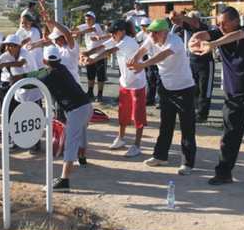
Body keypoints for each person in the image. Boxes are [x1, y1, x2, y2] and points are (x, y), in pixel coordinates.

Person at [189, 6, 244, 196]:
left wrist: (213, 44)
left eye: (224, 23)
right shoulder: (219, 32)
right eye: (218, 23)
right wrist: (196, 40)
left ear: (235, 21)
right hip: (232, 93)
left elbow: (235, 36)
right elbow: (204, 34)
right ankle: (224, 173)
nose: (221, 26)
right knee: (229, 135)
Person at [19, 46, 93, 191]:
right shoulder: (63, 67)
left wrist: (17, 79)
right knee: (82, 131)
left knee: (70, 144)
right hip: (87, 106)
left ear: (44, 60)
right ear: (58, 59)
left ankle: (64, 181)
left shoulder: (49, 74)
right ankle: (82, 158)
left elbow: (30, 82)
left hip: (76, 110)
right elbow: (39, 73)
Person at [128, 19, 196, 176]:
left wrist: (143, 65)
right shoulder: (151, 38)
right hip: (166, 87)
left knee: (187, 127)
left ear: (165, 32)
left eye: (155, 32)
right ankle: (160, 156)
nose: (152, 34)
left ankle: (187, 163)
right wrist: (135, 59)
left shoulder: (175, 40)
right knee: (165, 124)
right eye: (150, 31)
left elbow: (162, 56)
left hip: (184, 88)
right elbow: (142, 49)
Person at [83, 20, 147, 157]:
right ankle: (121, 139)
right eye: (111, 33)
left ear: (122, 32)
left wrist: (92, 60)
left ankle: (137, 145)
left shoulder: (128, 41)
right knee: (123, 114)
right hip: (125, 83)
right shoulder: (117, 39)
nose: (112, 36)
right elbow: (101, 47)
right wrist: (87, 53)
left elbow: (109, 51)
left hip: (137, 84)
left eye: (114, 33)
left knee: (138, 116)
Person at [170, 10, 215, 123]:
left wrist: (181, 16)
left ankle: (202, 114)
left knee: (205, 89)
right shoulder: (188, 27)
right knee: (192, 88)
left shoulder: (203, 27)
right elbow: (176, 21)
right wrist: (173, 16)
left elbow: (194, 23)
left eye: (189, 18)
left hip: (206, 62)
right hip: (192, 61)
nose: (187, 20)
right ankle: (193, 111)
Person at [78, 11, 109, 102]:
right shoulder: (85, 25)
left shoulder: (96, 26)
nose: (87, 21)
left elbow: (90, 30)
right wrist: (71, 32)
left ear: (94, 19)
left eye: (89, 19)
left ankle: (100, 94)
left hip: (100, 55)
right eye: (86, 19)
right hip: (90, 55)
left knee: (100, 76)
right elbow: (76, 28)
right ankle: (90, 92)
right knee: (90, 75)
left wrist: (80, 33)